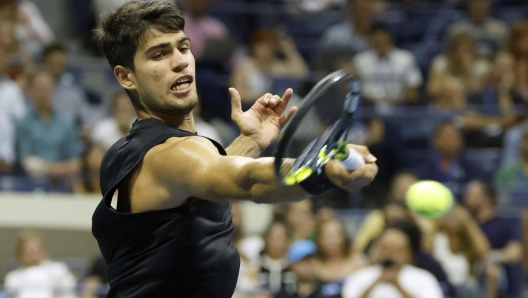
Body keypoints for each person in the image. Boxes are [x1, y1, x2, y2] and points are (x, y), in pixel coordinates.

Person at [91, 2, 378, 297]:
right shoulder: (166, 154)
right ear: (126, 77)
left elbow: (205, 180)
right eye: (159, 54)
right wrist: (325, 168)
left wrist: (251, 141)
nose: (179, 62)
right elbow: (249, 179)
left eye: (183, 47)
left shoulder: (132, 153)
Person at [342, 226, 444, 298]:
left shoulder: (424, 278)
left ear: (408, 253)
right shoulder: (359, 277)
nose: (390, 254)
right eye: (385, 248)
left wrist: (398, 286)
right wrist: (374, 284)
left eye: (397, 250)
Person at [16, 71, 79, 183]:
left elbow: (74, 161)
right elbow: (26, 160)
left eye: (46, 87)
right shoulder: (23, 123)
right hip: (31, 182)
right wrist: (56, 169)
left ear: (53, 89)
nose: (43, 93)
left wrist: (56, 169)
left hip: (61, 182)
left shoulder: (66, 124)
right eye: (39, 88)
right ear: (31, 91)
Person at [463, 180, 523, 298]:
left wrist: (493, 257)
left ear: (487, 199)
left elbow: (516, 251)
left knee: (493, 272)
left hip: (491, 274)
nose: (466, 199)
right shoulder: (464, 224)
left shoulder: (503, 223)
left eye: (471, 195)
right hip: (465, 272)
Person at [230, 28, 309, 109]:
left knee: (295, 103)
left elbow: (302, 74)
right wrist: (264, 96)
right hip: (253, 108)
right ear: (254, 46)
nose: (265, 49)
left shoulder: (278, 65)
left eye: (269, 45)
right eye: (261, 45)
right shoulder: (245, 65)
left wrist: (289, 49)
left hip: (277, 108)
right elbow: (238, 94)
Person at [352, 24, 423, 107]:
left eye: (382, 39)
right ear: (369, 40)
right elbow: (353, 90)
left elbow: (413, 89)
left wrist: (398, 101)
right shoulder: (360, 60)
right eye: (376, 40)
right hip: (368, 109)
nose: (380, 43)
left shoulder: (406, 59)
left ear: (390, 38)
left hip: (399, 108)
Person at [432, 204, 491, 297]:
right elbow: (424, 251)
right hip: (442, 287)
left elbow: (485, 252)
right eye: (450, 216)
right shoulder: (438, 238)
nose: (453, 219)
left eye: (456, 216)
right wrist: (436, 224)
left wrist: (468, 221)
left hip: (465, 290)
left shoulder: (469, 243)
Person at [418, 121, 486, 194]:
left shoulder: (472, 168)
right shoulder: (424, 168)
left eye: (453, 137)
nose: (449, 141)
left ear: (461, 141)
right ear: (434, 140)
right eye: (445, 136)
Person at [4, 230, 76, 298]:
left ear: (43, 252)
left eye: (35, 252)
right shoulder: (12, 279)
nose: (32, 256)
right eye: (28, 253)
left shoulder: (59, 271)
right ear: (19, 254)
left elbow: (70, 295)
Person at [427, 34, 490, 99]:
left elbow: (485, 91)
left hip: (473, 102)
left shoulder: (482, 66)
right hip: (445, 101)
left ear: (473, 50)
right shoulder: (441, 63)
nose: (462, 55)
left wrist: (468, 73)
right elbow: (432, 90)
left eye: (466, 51)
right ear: (452, 51)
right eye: (459, 50)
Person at [315, 218, 366, 283]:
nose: (332, 241)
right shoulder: (313, 265)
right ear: (320, 240)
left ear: (344, 238)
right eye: (328, 236)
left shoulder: (358, 262)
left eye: (337, 235)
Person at [257, 221, 294, 294]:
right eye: (273, 239)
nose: (277, 243)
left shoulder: (293, 265)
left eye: (281, 238)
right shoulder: (256, 264)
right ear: (266, 240)